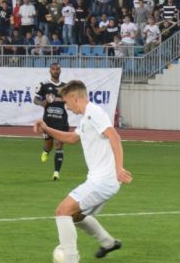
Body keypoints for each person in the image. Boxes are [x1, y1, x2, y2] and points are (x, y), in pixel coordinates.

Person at [34, 80, 132, 263]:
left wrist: (119, 168)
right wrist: (47, 129)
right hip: (99, 180)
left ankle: (70, 259)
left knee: (62, 211)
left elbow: (115, 137)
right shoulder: (86, 117)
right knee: (76, 216)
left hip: (103, 181)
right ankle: (108, 242)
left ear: (74, 97)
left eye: (66, 102)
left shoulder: (94, 112)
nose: (67, 107)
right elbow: (72, 138)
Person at [34, 63, 69, 181]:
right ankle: (46, 151)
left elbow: (69, 100)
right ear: (50, 71)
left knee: (59, 144)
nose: (56, 71)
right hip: (48, 120)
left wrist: (62, 100)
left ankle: (56, 173)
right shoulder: (44, 85)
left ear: (60, 70)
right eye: (53, 69)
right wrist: (41, 102)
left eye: (58, 69)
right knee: (49, 145)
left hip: (61, 120)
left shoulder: (65, 86)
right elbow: (35, 99)